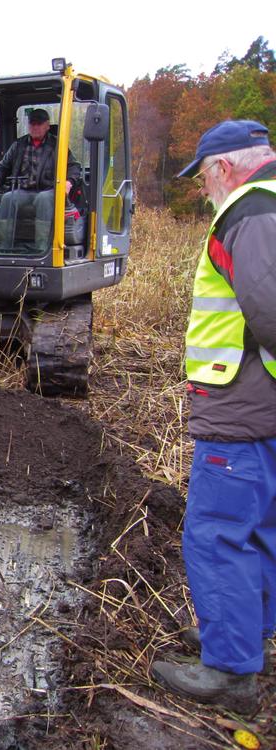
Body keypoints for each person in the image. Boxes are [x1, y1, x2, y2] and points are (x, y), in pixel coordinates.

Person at [150, 120, 276, 715]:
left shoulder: (246, 216)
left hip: (240, 411)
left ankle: (229, 670)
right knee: (261, 530)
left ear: (224, 167)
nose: (203, 189)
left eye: (202, 176)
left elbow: (271, 311)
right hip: (263, 410)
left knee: (218, 534)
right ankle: (248, 637)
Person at [0, 108, 82, 251]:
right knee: (7, 198)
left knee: (43, 199)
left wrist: (69, 183)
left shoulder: (57, 146)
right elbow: (3, 166)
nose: (35, 127)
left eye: (39, 123)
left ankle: (41, 248)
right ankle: (4, 247)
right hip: (24, 190)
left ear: (47, 125)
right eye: (32, 123)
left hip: (48, 190)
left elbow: (74, 167)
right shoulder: (19, 145)